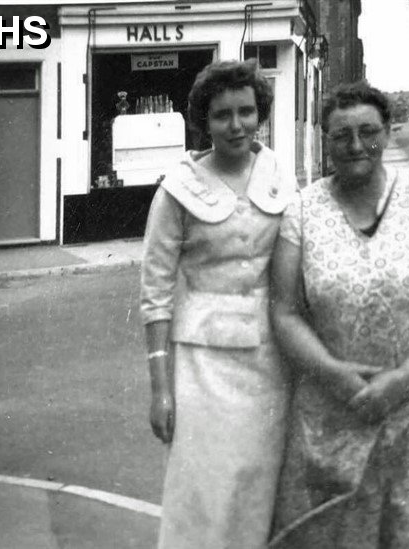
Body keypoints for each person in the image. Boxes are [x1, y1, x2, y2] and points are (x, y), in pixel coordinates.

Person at [268, 81, 409, 548]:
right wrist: (336, 376)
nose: (356, 145)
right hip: (335, 421)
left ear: (387, 132)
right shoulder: (301, 213)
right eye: (342, 135)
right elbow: (283, 313)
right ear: (326, 139)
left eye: (368, 131)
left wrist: (404, 378)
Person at [140, 59, 296, 548]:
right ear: (203, 122)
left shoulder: (278, 174)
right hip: (203, 368)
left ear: (259, 114)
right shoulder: (177, 189)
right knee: (205, 488)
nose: (237, 125)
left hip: (271, 361)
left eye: (246, 112)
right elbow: (156, 293)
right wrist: (161, 390)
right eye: (223, 115)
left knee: (260, 487)